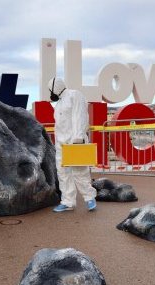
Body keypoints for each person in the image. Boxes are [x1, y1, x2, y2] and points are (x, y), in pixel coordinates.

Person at [49, 77, 97, 212]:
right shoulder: (58, 104)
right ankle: (68, 201)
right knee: (63, 173)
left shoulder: (74, 95)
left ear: (55, 87)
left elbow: (79, 116)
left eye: (50, 90)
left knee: (80, 171)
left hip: (74, 142)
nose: (50, 93)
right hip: (61, 144)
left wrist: (79, 137)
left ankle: (89, 197)